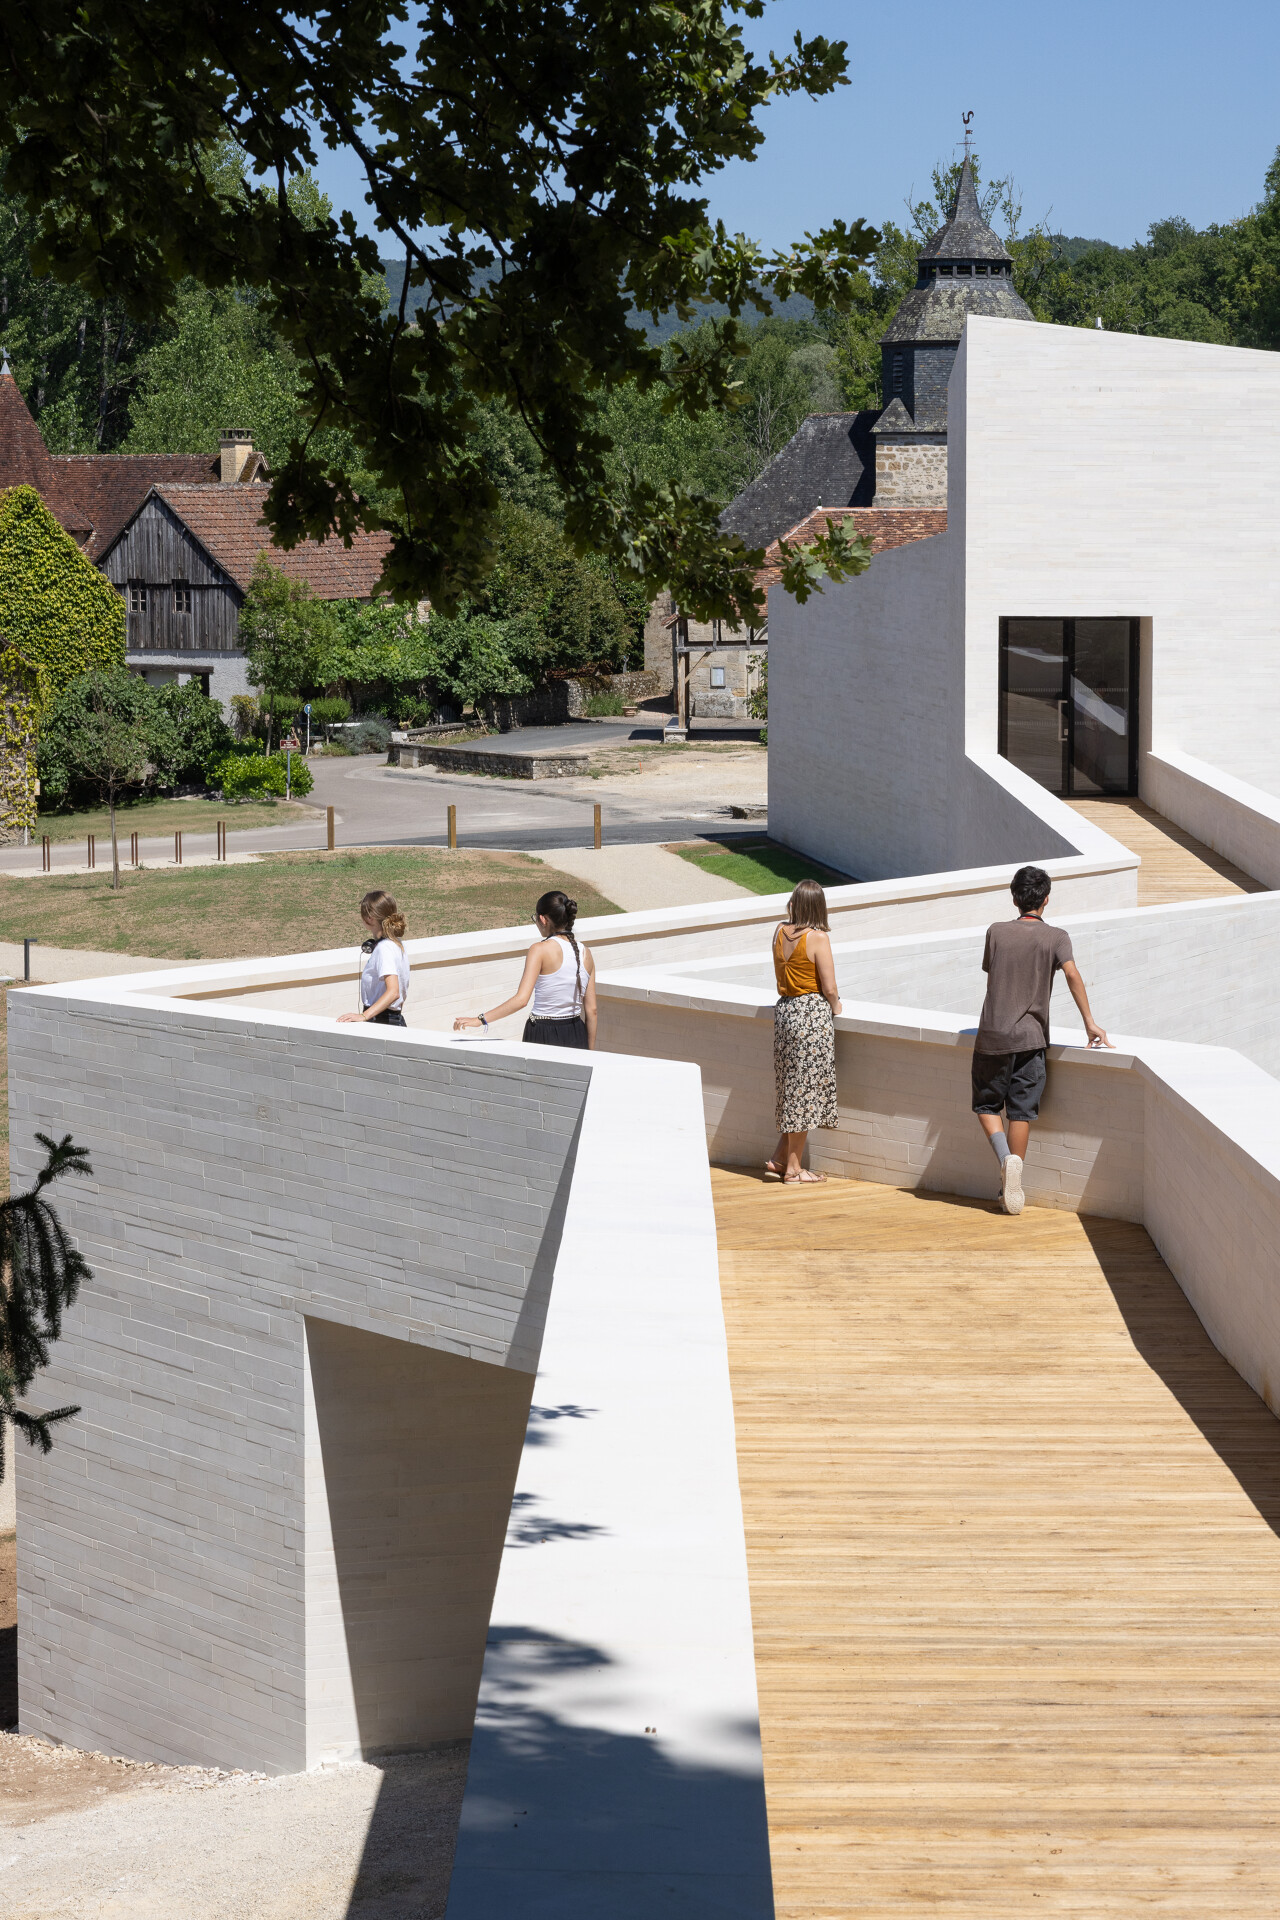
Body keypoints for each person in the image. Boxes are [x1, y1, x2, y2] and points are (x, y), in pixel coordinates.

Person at [973, 864, 1111, 1215]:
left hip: (992, 1035)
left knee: (987, 1106)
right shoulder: (1057, 937)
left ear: (1014, 898)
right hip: (1032, 1039)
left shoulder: (996, 932)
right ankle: (1012, 1178)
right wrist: (1090, 1022)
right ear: (1046, 899)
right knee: (1021, 1112)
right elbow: (1072, 974)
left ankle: (1005, 1161)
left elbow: (993, 975)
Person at [765, 879, 842, 1184]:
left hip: (785, 1013)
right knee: (805, 1093)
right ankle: (794, 1170)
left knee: (791, 1090)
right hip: (810, 1017)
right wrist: (836, 1006)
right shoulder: (818, 938)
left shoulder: (779, 931)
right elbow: (830, 988)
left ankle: (779, 1158)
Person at [453, 890, 597, 1049]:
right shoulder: (586, 953)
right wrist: (591, 1053)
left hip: (543, 1033)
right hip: (577, 1032)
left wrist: (479, 1020)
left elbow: (521, 1000)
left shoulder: (539, 949)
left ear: (543, 919)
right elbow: (592, 1010)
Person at [338, 889, 410, 1026]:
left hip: (382, 1021)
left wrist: (364, 1016)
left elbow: (394, 992)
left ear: (370, 918)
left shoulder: (384, 948)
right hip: (390, 1019)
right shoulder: (397, 944)